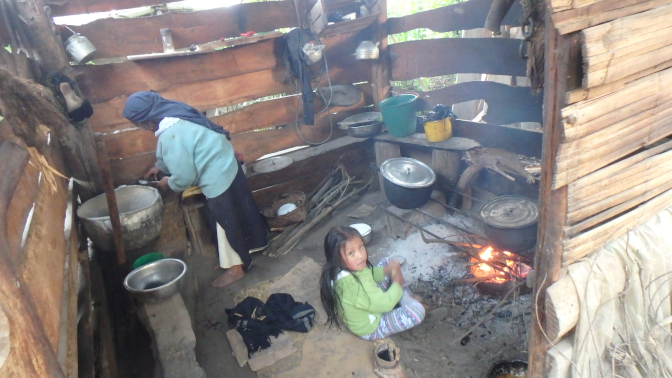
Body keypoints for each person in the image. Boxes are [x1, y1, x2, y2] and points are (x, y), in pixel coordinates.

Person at [123, 91, 268, 287]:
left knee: (224, 225)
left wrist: (169, 182)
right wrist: (160, 165)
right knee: (241, 211)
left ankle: (235, 270)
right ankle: (252, 246)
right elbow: (185, 148)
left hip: (217, 179)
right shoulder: (179, 113)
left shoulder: (170, 134)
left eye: (139, 125)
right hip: (228, 165)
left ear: (148, 122)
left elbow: (184, 176)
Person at [319, 226, 425, 340]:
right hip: (372, 326)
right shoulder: (354, 286)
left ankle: (400, 296)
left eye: (360, 247)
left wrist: (386, 270)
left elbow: (368, 273)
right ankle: (405, 299)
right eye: (351, 253)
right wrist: (397, 282)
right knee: (417, 312)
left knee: (387, 263)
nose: (360, 255)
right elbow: (386, 304)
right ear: (337, 258)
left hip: (368, 301)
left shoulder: (344, 268)